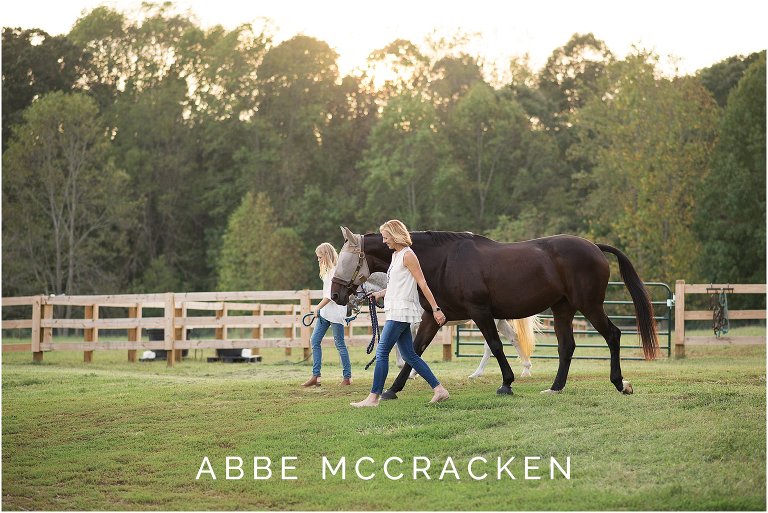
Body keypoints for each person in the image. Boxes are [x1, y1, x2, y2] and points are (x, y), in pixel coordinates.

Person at [351, 220, 450, 407]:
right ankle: (439, 390)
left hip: (402, 311)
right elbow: (396, 283)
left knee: (381, 353)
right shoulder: (396, 255)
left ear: (395, 236)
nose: (384, 241)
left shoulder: (408, 255)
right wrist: (380, 293)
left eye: (386, 237)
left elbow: (422, 284)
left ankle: (373, 398)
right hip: (395, 309)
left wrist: (436, 309)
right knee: (410, 356)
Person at [303, 243, 352, 387]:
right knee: (315, 340)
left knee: (340, 344)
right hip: (325, 313)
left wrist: (317, 307)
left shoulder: (335, 272)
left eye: (319, 257)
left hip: (335, 313)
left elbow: (330, 295)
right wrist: (320, 310)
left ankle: (347, 377)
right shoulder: (327, 271)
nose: (318, 260)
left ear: (326, 255)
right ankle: (316, 375)